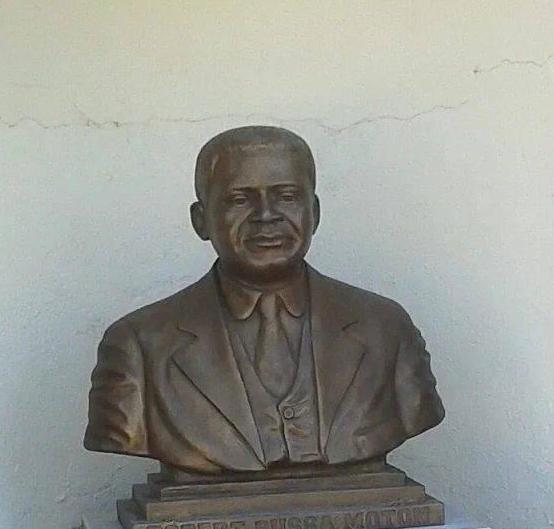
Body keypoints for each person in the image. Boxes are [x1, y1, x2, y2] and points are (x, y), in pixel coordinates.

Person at [85, 125, 443, 476]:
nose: (266, 215)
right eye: (239, 200)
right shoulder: (138, 345)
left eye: (287, 196)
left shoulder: (386, 329)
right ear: (200, 220)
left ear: (314, 213)